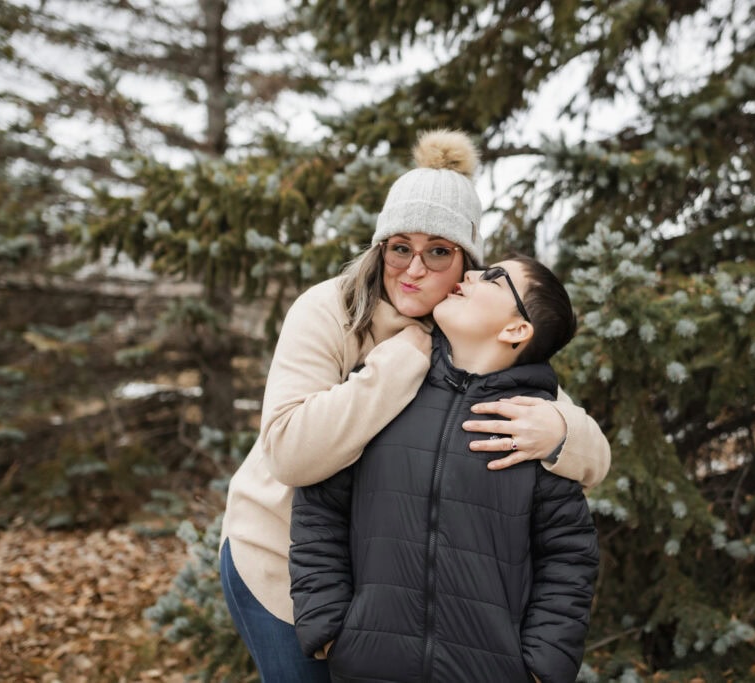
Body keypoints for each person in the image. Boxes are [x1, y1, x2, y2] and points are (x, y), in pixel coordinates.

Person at [219, 129, 610, 682]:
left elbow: (590, 455)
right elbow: (289, 453)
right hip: (278, 561)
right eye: (400, 247)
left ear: (467, 264)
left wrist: (559, 430)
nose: (414, 269)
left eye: (438, 251)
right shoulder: (331, 310)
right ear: (381, 248)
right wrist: (403, 360)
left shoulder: (470, 330)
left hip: (379, 596)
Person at [290, 255, 599, 683]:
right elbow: (319, 508)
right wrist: (330, 629)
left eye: (495, 278)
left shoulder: (534, 426)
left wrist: (541, 666)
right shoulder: (389, 387)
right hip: (368, 666)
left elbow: (568, 556)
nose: (472, 274)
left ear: (515, 329)